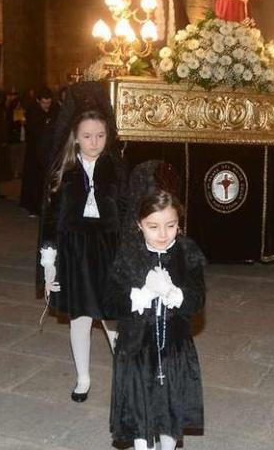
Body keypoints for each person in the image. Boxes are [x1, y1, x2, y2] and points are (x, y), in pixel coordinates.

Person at [106, 187, 205, 450]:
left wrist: (175, 293)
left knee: (170, 409)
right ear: (139, 225)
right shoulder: (129, 253)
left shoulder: (187, 252)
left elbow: (198, 300)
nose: (162, 234)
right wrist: (143, 293)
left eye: (170, 225)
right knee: (140, 410)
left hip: (174, 348)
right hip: (137, 347)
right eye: (153, 226)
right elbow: (109, 302)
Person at [39, 109, 128, 402]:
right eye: (88, 136)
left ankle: (127, 374)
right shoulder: (63, 172)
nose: (94, 142)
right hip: (75, 251)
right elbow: (50, 221)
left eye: (100, 136)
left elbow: (128, 212)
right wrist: (49, 262)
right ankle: (83, 377)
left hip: (109, 250)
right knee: (80, 316)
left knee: (112, 316)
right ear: (76, 138)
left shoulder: (115, 168)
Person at [20, 87, 58, 215]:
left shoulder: (54, 110)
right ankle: (33, 206)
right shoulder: (33, 112)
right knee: (34, 179)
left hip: (47, 150)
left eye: (48, 102)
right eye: (44, 103)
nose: (46, 105)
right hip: (34, 151)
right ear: (38, 101)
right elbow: (34, 130)